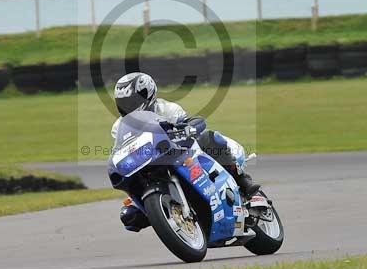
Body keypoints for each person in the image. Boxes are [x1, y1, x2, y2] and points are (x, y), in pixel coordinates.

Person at [111, 72, 260, 231]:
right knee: (129, 215)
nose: (129, 106)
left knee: (209, 138)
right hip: (149, 161)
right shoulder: (117, 127)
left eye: (133, 101)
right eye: (124, 103)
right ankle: (159, 210)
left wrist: (189, 128)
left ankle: (242, 181)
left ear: (148, 95)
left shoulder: (166, 108)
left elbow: (189, 124)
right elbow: (120, 148)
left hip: (180, 152)